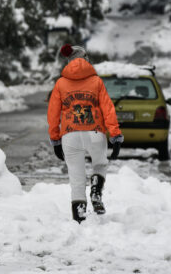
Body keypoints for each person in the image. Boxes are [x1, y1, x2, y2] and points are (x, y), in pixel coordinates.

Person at [47, 44, 124, 222]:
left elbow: (53, 114)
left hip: (69, 134)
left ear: (69, 61)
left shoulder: (61, 83)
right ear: (86, 59)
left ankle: (79, 216)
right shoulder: (96, 82)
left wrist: (55, 139)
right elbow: (108, 109)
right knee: (100, 164)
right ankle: (96, 191)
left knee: (76, 175)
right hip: (95, 132)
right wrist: (115, 135)